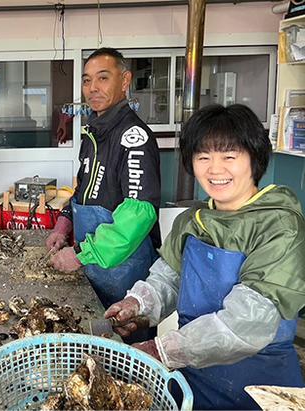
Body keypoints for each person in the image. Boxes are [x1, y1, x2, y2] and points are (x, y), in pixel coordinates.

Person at [106, 104, 305, 410]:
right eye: (203, 157)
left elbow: (246, 323)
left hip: (261, 384)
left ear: (254, 158)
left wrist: (162, 350)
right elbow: (168, 277)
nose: (215, 169)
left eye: (229, 156)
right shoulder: (193, 219)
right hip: (196, 376)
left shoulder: (280, 225)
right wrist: (138, 304)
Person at [46, 48, 161, 339]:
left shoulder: (134, 138)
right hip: (96, 273)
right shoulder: (94, 134)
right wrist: (64, 222)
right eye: (86, 80)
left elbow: (138, 215)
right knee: (96, 351)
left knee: (126, 355)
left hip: (126, 279)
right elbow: (83, 191)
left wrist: (84, 254)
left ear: (124, 81)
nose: (93, 88)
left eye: (103, 78)